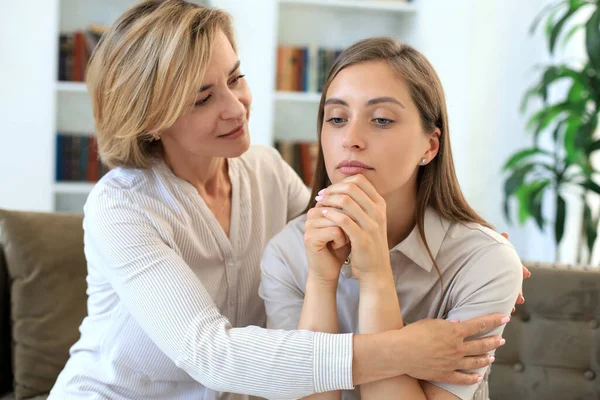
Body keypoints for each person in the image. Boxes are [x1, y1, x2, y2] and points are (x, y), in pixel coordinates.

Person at [48, 1, 525, 399]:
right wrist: (402, 350)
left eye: (235, 78)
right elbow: (210, 354)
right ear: (149, 118)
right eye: (203, 98)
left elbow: (340, 222)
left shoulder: (265, 170)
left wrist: (473, 245)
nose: (236, 107)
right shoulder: (123, 207)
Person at [259, 38, 523, 400]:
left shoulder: (484, 261)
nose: (350, 139)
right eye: (336, 119)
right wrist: (321, 282)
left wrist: (375, 276)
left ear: (429, 146)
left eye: (381, 119)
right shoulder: (287, 252)